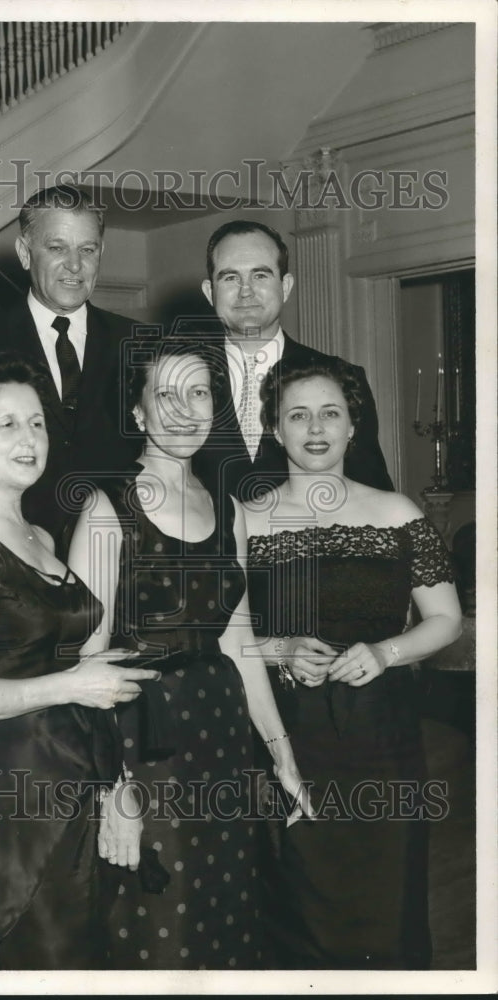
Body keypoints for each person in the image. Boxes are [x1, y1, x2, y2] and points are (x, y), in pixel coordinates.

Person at [68, 337, 313, 970]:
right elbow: (82, 665)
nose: (185, 409)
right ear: (138, 414)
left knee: (225, 912)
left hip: (224, 738)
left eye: (199, 392)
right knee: (155, 929)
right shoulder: (105, 508)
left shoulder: (224, 507)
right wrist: (111, 790)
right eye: (166, 394)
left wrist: (280, 753)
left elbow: (238, 640)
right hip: (142, 744)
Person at [0, 353, 160, 969]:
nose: (30, 439)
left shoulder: (40, 537)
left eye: (38, 423)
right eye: (7, 425)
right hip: (0, 809)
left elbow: (83, 678)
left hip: (68, 782)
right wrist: (71, 685)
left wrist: (115, 782)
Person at [243, 354, 462, 969]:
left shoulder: (398, 513)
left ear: (352, 427)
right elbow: (224, 638)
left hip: (383, 744)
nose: (315, 428)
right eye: (298, 415)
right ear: (274, 429)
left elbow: (447, 620)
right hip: (288, 742)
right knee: (297, 920)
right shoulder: (246, 521)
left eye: (330, 413)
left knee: (387, 915)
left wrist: (385, 652)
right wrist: (280, 649)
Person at [0, 185, 139, 549]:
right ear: (24, 253)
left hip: (119, 560)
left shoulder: (139, 342)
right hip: (11, 554)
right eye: (57, 248)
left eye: (88, 249)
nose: (74, 265)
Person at [194, 219, 393, 502]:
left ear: (285, 286)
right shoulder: (178, 379)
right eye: (230, 277)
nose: (245, 290)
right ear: (208, 291)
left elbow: (373, 491)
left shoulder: (339, 377)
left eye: (260, 275)